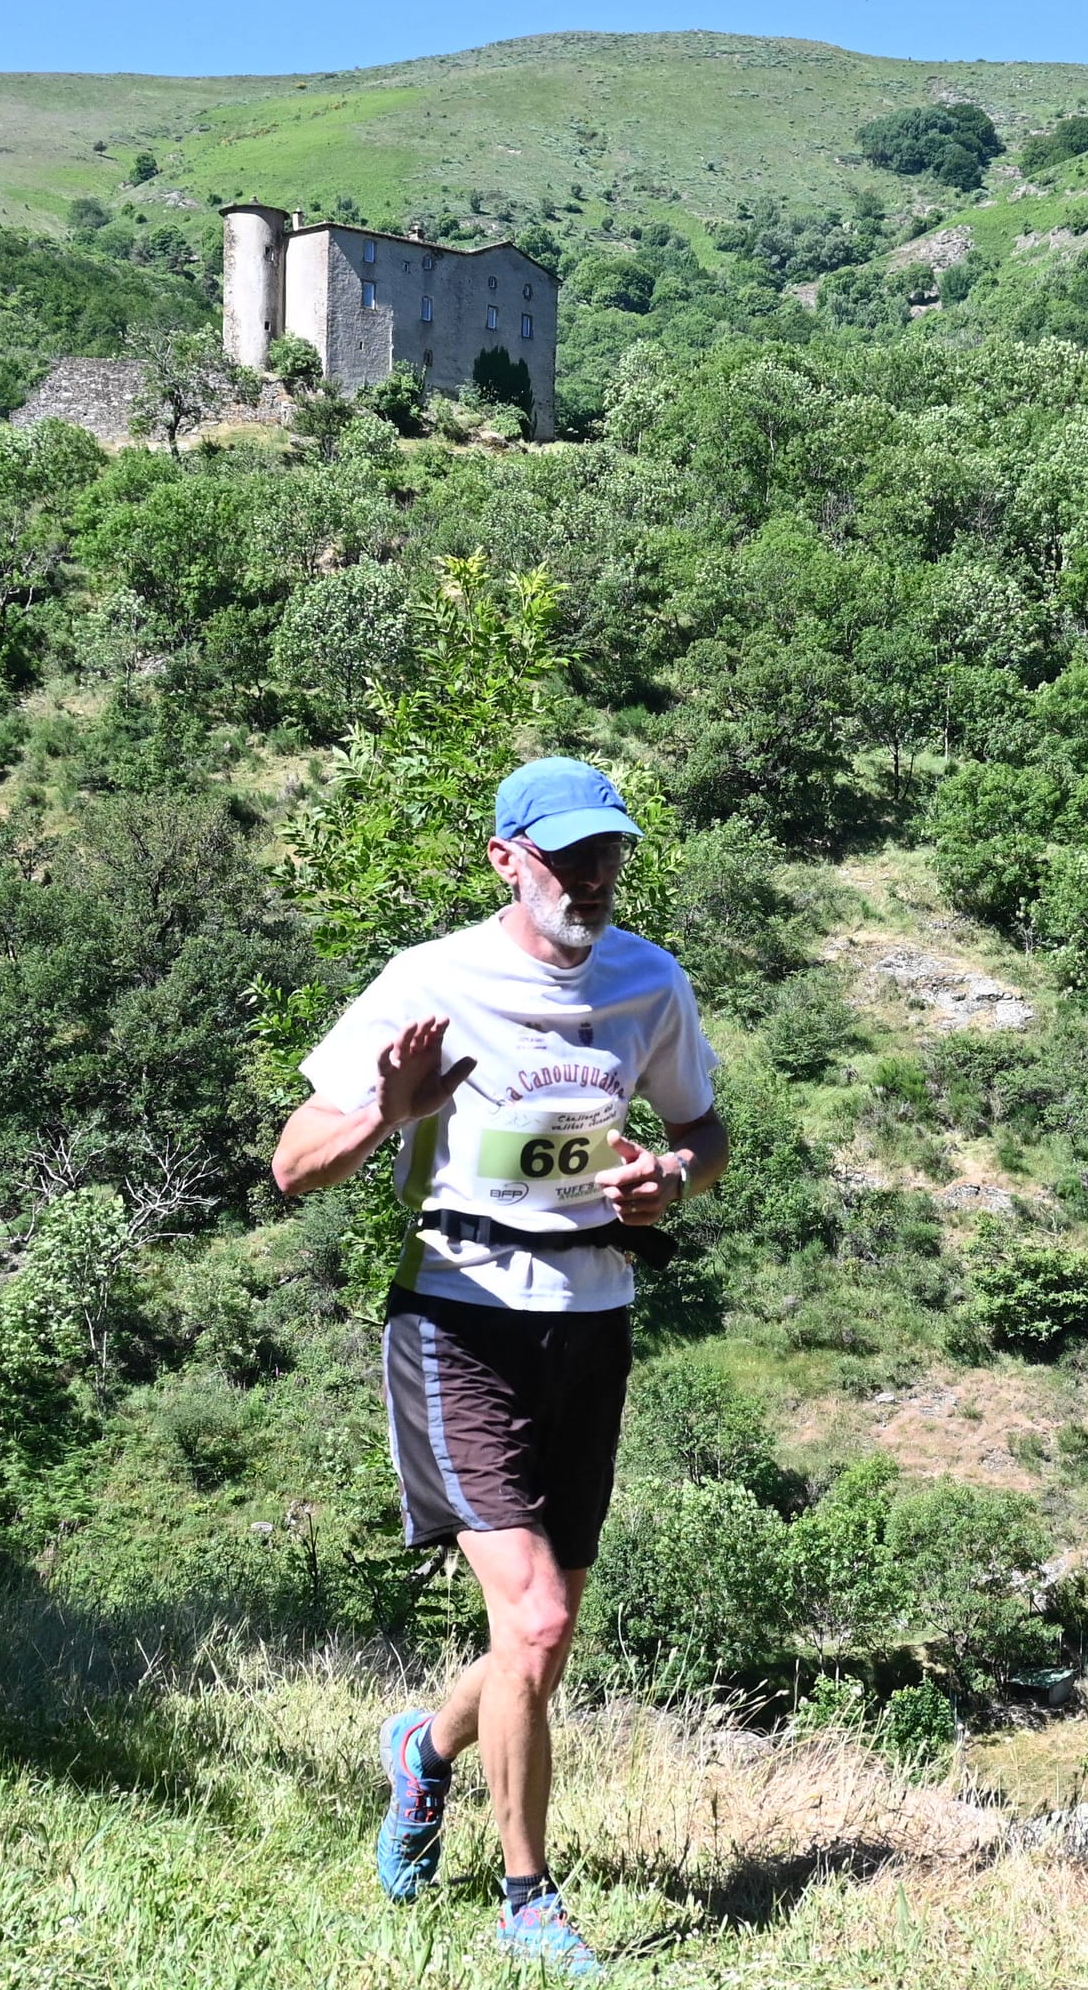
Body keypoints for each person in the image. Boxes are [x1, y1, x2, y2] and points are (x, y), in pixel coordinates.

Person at [272, 757, 727, 1978]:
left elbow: (703, 1127)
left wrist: (670, 1179)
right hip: (458, 1317)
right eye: (564, 855)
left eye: (606, 855)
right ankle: (527, 1898)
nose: (589, 877)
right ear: (504, 860)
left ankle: (423, 1748)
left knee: (548, 1626)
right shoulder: (429, 980)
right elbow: (292, 1163)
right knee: (528, 1615)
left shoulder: (647, 981)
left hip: (592, 1313)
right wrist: (389, 1109)